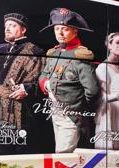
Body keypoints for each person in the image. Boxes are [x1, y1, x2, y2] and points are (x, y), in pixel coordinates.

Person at [38, 8, 100, 153]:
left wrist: (78, 106)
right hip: (54, 111)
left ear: (75, 31)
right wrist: (46, 82)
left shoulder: (81, 56)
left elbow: (92, 90)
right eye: (57, 29)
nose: (59, 33)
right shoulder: (55, 53)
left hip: (71, 115)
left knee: (63, 155)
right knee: (59, 151)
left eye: (65, 29)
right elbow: (43, 75)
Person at [0, 12, 44, 150]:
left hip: (23, 113)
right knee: (0, 155)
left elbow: (41, 80)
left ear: (23, 29)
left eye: (12, 25)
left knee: (22, 155)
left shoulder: (34, 51)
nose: (7, 28)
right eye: (6, 26)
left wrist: (25, 90)